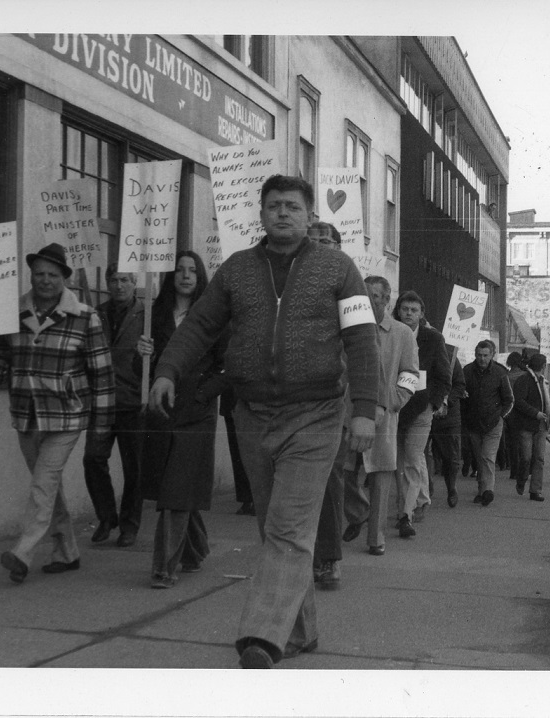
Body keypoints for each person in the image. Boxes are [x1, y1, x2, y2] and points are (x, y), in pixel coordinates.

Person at [148, 175, 379, 669]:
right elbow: (199, 326)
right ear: (261, 213)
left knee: (289, 529)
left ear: (309, 214)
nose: (281, 214)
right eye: (273, 206)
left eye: (292, 207)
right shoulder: (236, 270)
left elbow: (362, 341)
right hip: (252, 415)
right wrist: (167, 370)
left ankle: (262, 635)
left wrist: (364, 411)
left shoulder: (339, 268)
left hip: (316, 415)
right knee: (274, 527)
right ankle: (302, 630)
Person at [0, 243, 114, 584]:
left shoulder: (86, 316)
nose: (45, 281)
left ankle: (23, 552)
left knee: (43, 483)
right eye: (39, 274)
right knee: (48, 485)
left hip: (66, 415)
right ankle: (67, 552)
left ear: (64, 278)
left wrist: (102, 424)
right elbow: (1, 355)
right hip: (26, 413)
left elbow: (102, 374)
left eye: (52, 275)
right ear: (31, 276)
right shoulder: (10, 313)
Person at [138, 251, 226, 589]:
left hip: (197, 412)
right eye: (180, 270)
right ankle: (195, 549)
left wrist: (204, 394)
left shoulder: (213, 317)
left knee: (177, 486)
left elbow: (226, 366)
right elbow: (141, 373)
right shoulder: (153, 315)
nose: (186, 276)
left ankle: (164, 566)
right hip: (163, 410)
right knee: (172, 486)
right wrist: (141, 356)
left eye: (193, 270)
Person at [343, 276, 419, 556]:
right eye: (365, 293)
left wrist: (395, 401)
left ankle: (376, 539)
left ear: (387, 300)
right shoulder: (349, 327)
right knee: (344, 470)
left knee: (380, 479)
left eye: (375, 295)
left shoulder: (401, 333)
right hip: (350, 413)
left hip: (385, 416)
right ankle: (358, 512)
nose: (369, 299)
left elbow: (411, 374)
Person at [81, 265, 145, 548]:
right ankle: (107, 516)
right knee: (93, 458)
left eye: (125, 280)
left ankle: (130, 526)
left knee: (135, 469)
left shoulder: (148, 315)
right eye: (114, 280)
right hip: (103, 400)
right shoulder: (96, 314)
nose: (119, 285)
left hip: (133, 400)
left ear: (134, 282)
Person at [307, 220, 350, 587]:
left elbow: (363, 351)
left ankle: (329, 558)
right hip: (290, 400)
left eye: (326, 242)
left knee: (329, 481)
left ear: (338, 247)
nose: (318, 247)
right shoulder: (289, 285)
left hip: (334, 401)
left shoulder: (350, 293)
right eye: (313, 241)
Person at [392, 291, 451, 536]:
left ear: (421, 314)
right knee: (400, 461)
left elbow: (444, 376)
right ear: (398, 310)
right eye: (405, 309)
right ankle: (422, 498)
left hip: (421, 409)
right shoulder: (390, 333)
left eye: (414, 310)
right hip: (395, 405)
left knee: (412, 459)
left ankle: (405, 514)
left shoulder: (433, 339)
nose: (409, 314)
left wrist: (433, 404)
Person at [461, 339, 514, 506]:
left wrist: (501, 417)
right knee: (479, 458)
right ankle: (481, 490)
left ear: (492, 355)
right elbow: (459, 392)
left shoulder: (500, 373)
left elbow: (509, 400)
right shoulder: (467, 371)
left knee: (488, 457)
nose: (482, 359)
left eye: (485, 355)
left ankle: (488, 490)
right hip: (473, 423)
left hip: (493, 423)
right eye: (479, 355)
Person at [509, 353, 550, 501]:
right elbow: (519, 401)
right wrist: (535, 414)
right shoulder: (524, 380)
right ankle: (521, 480)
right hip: (527, 425)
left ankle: (535, 490)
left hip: (541, 426)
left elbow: (548, 405)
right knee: (526, 458)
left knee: (539, 458)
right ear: (543, 366)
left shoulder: (543, 382)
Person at [427, 347, 467, 507]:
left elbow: (460, 385)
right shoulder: (418, 351)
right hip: (424, 411)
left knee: (451, 457)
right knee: (421, 454)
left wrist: (446, 401)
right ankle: (426, 488)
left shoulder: (451, 359)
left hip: (447, 417)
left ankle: (451, 488)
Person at [220, 385, 254, 516]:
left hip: (253, 402)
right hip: (232, 399)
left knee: (250, 453)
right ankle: (246, 498)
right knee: (237, 453)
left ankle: (252, 498)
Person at [501, 351, 527, 488]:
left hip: (509, 412)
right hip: (521, 412)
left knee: (511, 442)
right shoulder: (524, 376)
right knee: (523, 442)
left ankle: (513, 470)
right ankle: (521, 470)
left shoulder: (506, 376)